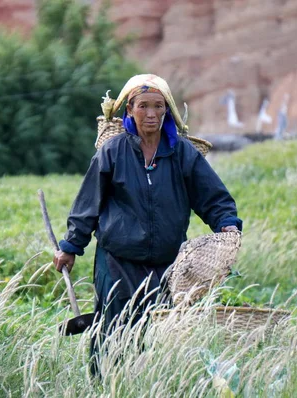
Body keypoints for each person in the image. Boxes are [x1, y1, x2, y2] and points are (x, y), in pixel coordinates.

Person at [53, 74, 242, 374]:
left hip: (165, 264)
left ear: (166, 111)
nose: (151, 114)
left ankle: (144, 386)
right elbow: (88, 203)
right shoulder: (113, 151)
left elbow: (214, 198)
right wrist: (71, 246)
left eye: (158, 106)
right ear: (129, 110)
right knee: (113, 331)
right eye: (143, 106)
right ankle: (106, 388)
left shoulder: (182, 153)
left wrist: (227, 225)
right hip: (116, 260)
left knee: (152, 331)